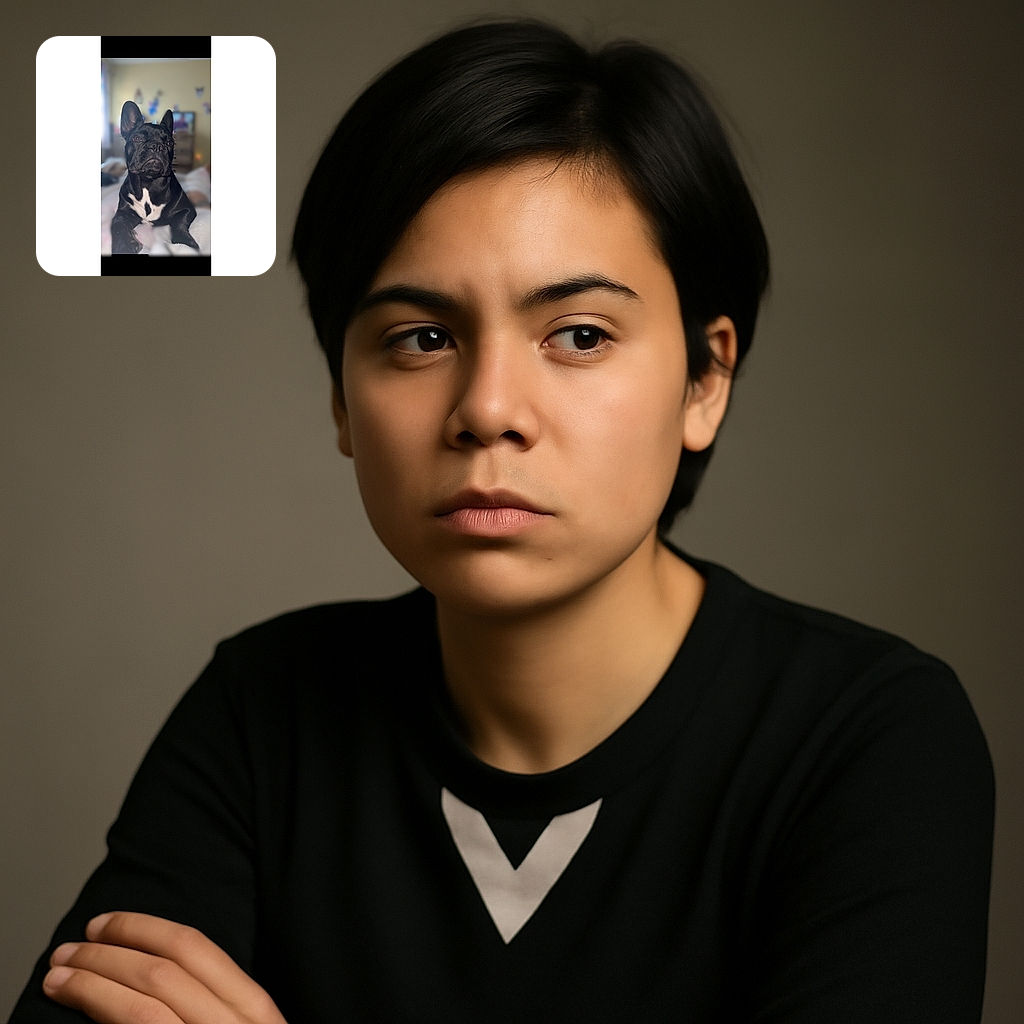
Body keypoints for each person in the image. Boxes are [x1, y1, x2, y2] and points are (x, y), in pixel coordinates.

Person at [11, 19, 993, 1023]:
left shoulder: (866, 739)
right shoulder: (263, 716)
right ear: (341, 399)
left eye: (576, 334)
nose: (487, 408)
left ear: (707, 378)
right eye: (422, 336)